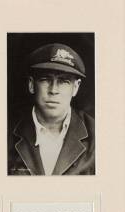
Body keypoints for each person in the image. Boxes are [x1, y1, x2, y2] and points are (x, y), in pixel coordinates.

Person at [8, 43, 95, 175]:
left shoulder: (98, 136)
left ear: (76, 87)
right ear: (31, 85)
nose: (53, 90)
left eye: (64, 81)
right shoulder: (3, 132)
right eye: (45, 79)